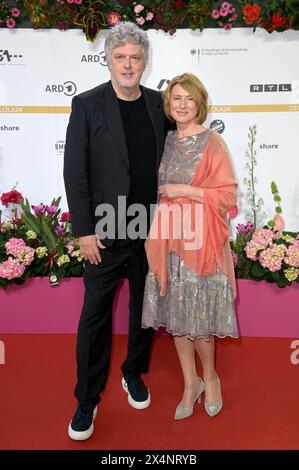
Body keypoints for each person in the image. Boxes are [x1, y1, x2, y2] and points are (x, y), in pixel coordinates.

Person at [64, 22, 168, 440]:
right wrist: (84, 230)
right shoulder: (87, 104)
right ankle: (86, 399)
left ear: (145, 62)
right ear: (108, 59)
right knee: (95, 317)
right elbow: (75, 172)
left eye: (135, 57)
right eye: (120, 57)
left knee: (145, 310)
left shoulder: (160, 105)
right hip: (105, 229)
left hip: (151, 228)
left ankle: (132, 372)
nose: (128, 64)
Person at [142, 73, 239, 420]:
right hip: (168, 238)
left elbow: (227, 195)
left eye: (189, 99)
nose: (182, 105)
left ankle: (210, 378)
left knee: (197, 319)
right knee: (176, 318)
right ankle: (190, 382)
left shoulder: (212, 142)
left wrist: (186, 192)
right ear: (169, 105)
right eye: (176, 99)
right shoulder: (164, 141)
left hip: (200, 243)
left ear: (199, 104)